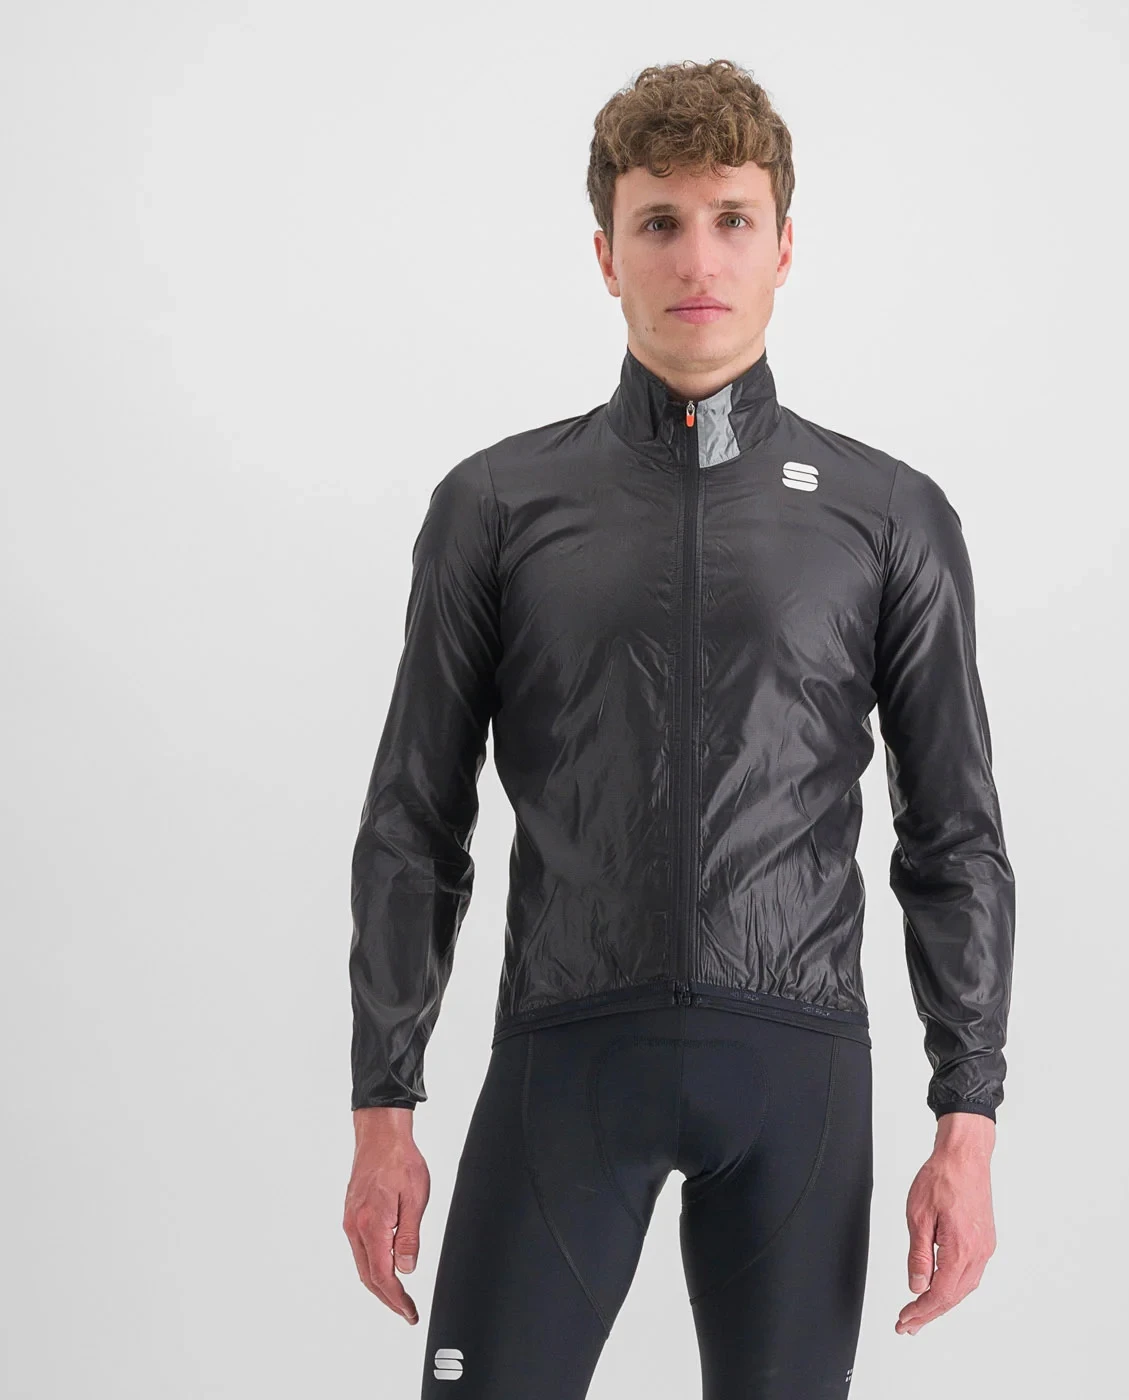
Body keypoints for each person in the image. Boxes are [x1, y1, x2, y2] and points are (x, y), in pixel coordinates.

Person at [342, 57, 1015, 1398]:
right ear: (606, 254)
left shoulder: (890, 516)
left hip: (796, 1069)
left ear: (783, 247)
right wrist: (383, 1108)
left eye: (731, 219)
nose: (697, 259)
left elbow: (953, 836)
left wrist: (969, 1119)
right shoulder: (497, 505)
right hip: (566, 1053)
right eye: (659, 222)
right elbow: (416, 821)